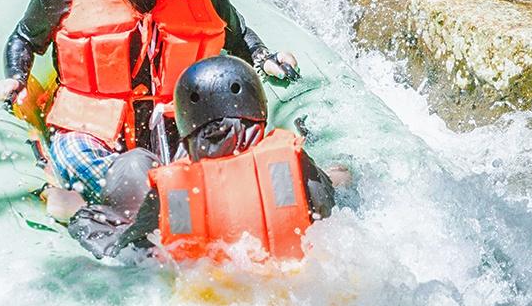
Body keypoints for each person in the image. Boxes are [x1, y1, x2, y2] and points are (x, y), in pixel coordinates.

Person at [0, 0, 298, 211]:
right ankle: (152, 204)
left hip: (173, 125)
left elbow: (236, 34)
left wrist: (261, 55)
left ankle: (201, 200)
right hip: (89, 128)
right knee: (116, 173)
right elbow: (24, 37)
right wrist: (16, 78)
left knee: (224, 153)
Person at [67, 54, 339, 264]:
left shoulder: (173, 191)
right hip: (293, 287)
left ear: (187, 124)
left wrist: (83, 218)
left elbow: (126, 249)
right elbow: (328, 208)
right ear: (257, 108)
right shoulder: (292, 163)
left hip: (209, 295)